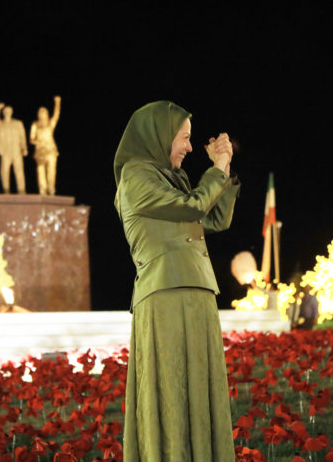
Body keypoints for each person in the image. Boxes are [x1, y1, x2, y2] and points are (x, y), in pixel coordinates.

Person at [114, 101, 240, 461]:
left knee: (199, 390)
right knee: (170, 390)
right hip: (166, 295)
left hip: (196, 293)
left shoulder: (173, 178)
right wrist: (214, 170)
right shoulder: (135, 177)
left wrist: (224, 168)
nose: (188, 146)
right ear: (159, 134)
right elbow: (192, 208)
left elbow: (215, 218)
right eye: (183, 138)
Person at [0, 103, 28, 194]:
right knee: (4, 171)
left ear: (11, 112)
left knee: (19, 170)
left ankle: (21, 189)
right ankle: (6, 189)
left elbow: (22, 136)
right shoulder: (0, 124)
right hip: (5, 150)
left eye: (9, 111)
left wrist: (24, 148)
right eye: (6, 111)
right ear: (3, 113)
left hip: (16, 150)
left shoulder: (18, 123)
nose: (8, 113)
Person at [30, 96, 61, 195]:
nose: (43, 115)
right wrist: (37, 142)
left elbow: (56, 115)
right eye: (41, 113)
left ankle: (51, 190)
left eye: (45, 113)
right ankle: (42, 190)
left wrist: (57, 103)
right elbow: (31, 139)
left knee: (51, 171)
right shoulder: (35, 125)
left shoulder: (50, 124)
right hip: (40, 151)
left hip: (51, 150)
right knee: (40, 171)